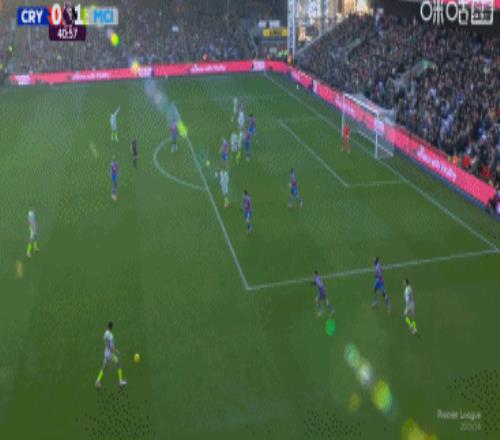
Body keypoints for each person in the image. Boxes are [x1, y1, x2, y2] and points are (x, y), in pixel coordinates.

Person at [95, 321, 127, 389]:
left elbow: (103, 338)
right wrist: (117, 351)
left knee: (104, 367)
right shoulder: (111, 336)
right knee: (118, 364)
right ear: (112, 327)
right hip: (110, 354)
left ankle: (97, 381)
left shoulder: (105, 333)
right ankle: (120, 382)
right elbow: (112, 348)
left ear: (108, 326)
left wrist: (107, 345)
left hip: (106, 352)